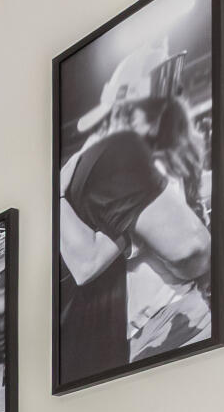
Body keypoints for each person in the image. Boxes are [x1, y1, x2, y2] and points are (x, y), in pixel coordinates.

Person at [58, 42, 212, 378]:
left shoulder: (128, 165)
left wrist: (57, 195)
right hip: (180, 318)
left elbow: (87, 263)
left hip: (166, 327)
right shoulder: (165, 161)